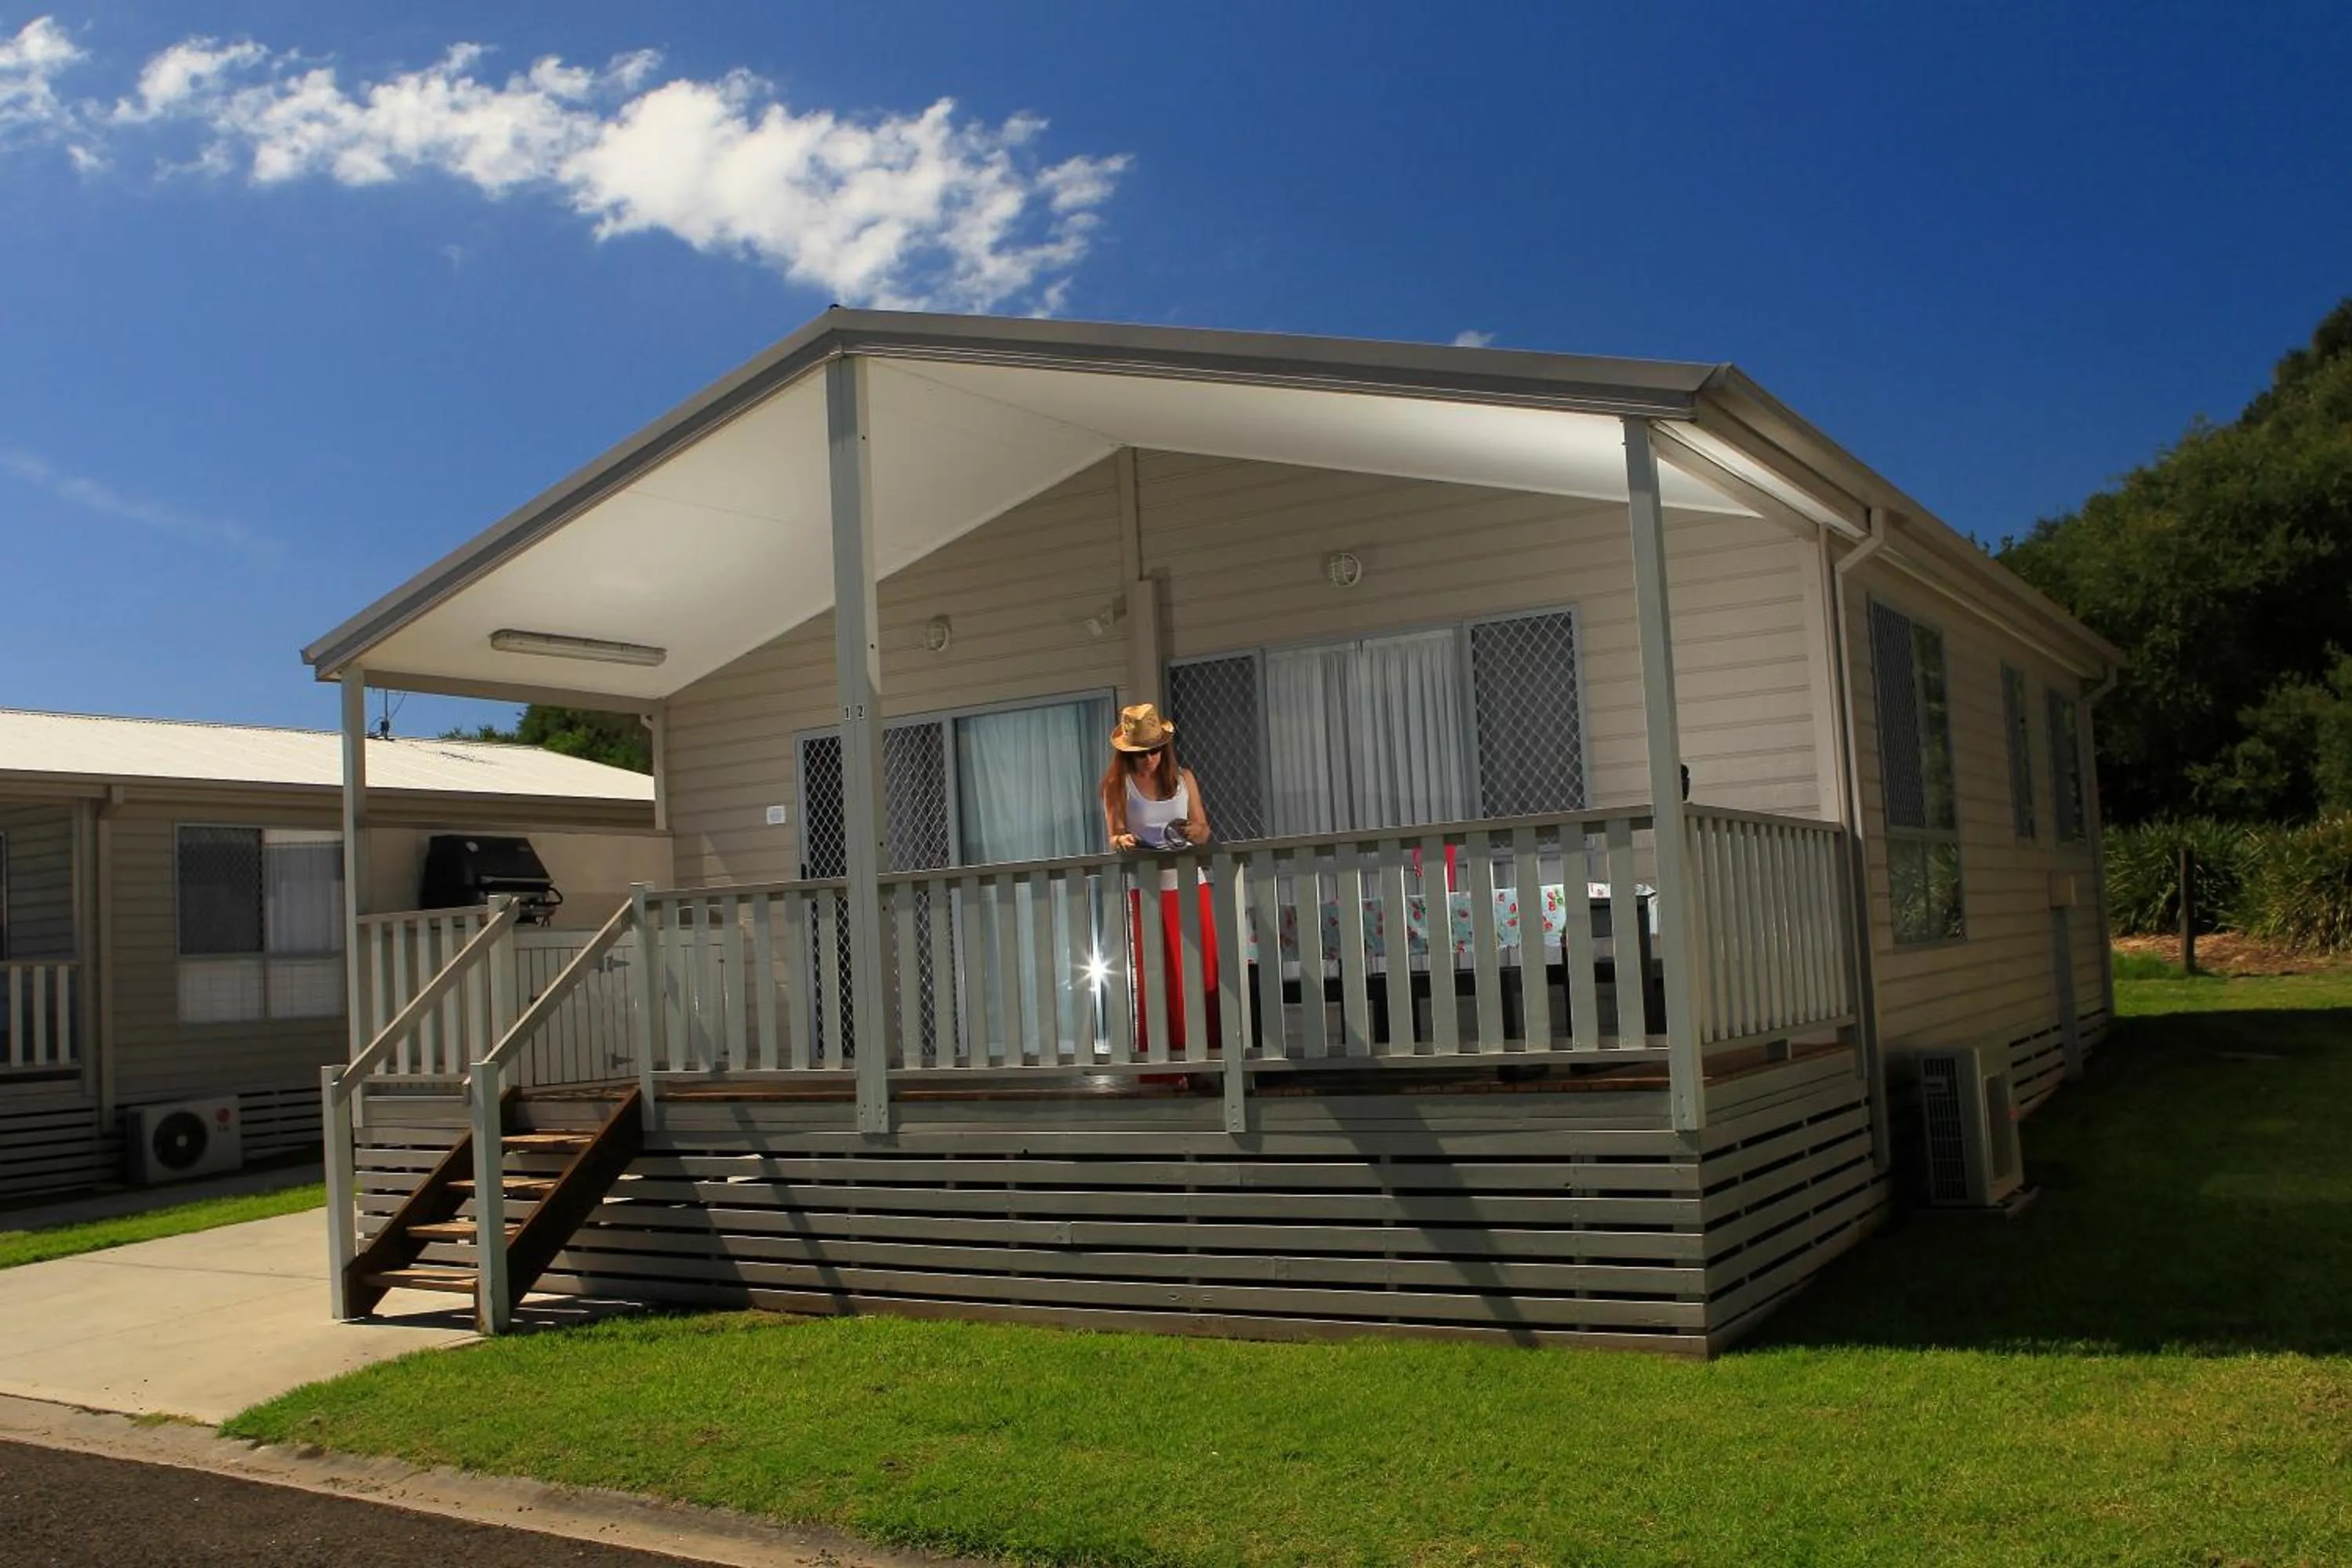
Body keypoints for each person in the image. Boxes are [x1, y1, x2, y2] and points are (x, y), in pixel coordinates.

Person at [1099, 702, 1221, 1055]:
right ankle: (1167, 1064)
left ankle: (1208, 1057)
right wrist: (1122, 839)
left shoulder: (1184, 778)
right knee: (1160, 974)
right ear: (1127, 754)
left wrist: (1193, 830)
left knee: (1201, 970)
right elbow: (1114, 834)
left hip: (1190, 883)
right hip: (1149, 888)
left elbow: (1203, 829)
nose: (1149, 759)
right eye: (1140, 753)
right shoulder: (1115, 785)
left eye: (1154, 750)